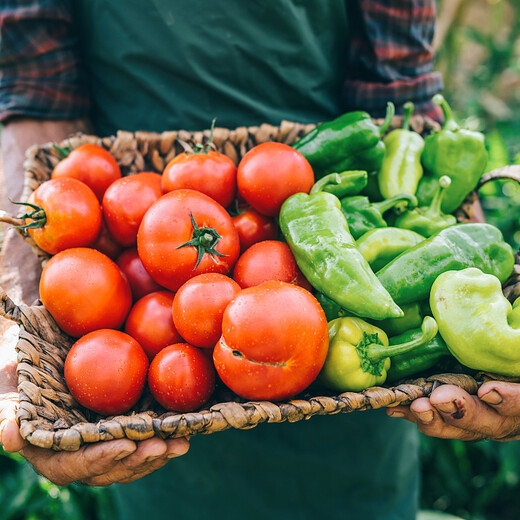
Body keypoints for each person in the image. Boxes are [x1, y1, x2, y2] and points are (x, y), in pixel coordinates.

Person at [1, 1, 519, 518]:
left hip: (344, 377)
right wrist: (16, 310)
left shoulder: (281, 238)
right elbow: (35, 90)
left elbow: (396, 87)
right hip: (152, 407)